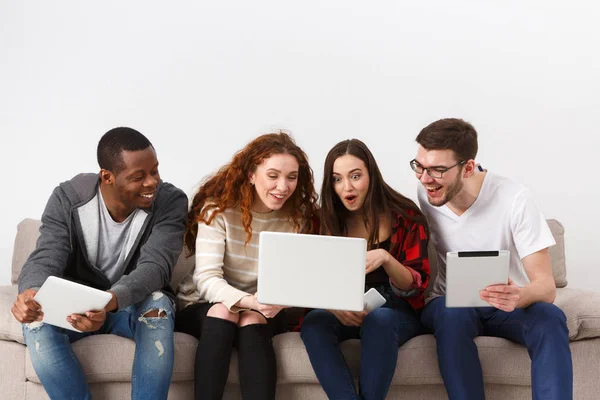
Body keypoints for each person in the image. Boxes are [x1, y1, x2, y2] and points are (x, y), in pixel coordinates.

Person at [11, 127, 188, 400]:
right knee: (36, 320)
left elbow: (157, 267)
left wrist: (108, 301)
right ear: (107, 176)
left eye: (155, 171)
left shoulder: (170, 201)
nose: (152, 182)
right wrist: (32, 290)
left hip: (132, 304)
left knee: (158, 308)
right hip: (77, 308)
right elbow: (47, 255)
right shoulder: (68, 198)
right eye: (138, 176)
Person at [412, 118, 572, 399]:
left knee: (550, 318)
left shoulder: (514, 199)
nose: (425, 179)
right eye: (420, 167)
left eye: (437, 170)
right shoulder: (427, 194)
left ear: (469, 167)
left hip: (507, 306)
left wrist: (518, 297)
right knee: (452, 316)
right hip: (450, 302)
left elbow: (546, 286)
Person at [175, 132, 318, 400]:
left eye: (291, 177)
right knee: (225, 312)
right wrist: (247, 301)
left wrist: (279, 302)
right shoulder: (217, 210)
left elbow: (296, 280)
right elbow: (206, 279)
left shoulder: (297, 218)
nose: (283, 186)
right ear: (252, 174)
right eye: (273, 176)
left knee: (252, 318)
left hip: (262, 309)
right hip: (204, 304)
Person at [300, 139, 429, 400]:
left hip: (393, 309)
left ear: (371, 174)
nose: (346, 187)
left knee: (379, 320)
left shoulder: (405, 216)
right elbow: (307, 279)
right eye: (337, 179)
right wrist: (333, 305)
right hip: (341, 304)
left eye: (355, 176)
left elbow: (416, 284)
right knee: (314, 322)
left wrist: (386, 258)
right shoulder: (320, 220)